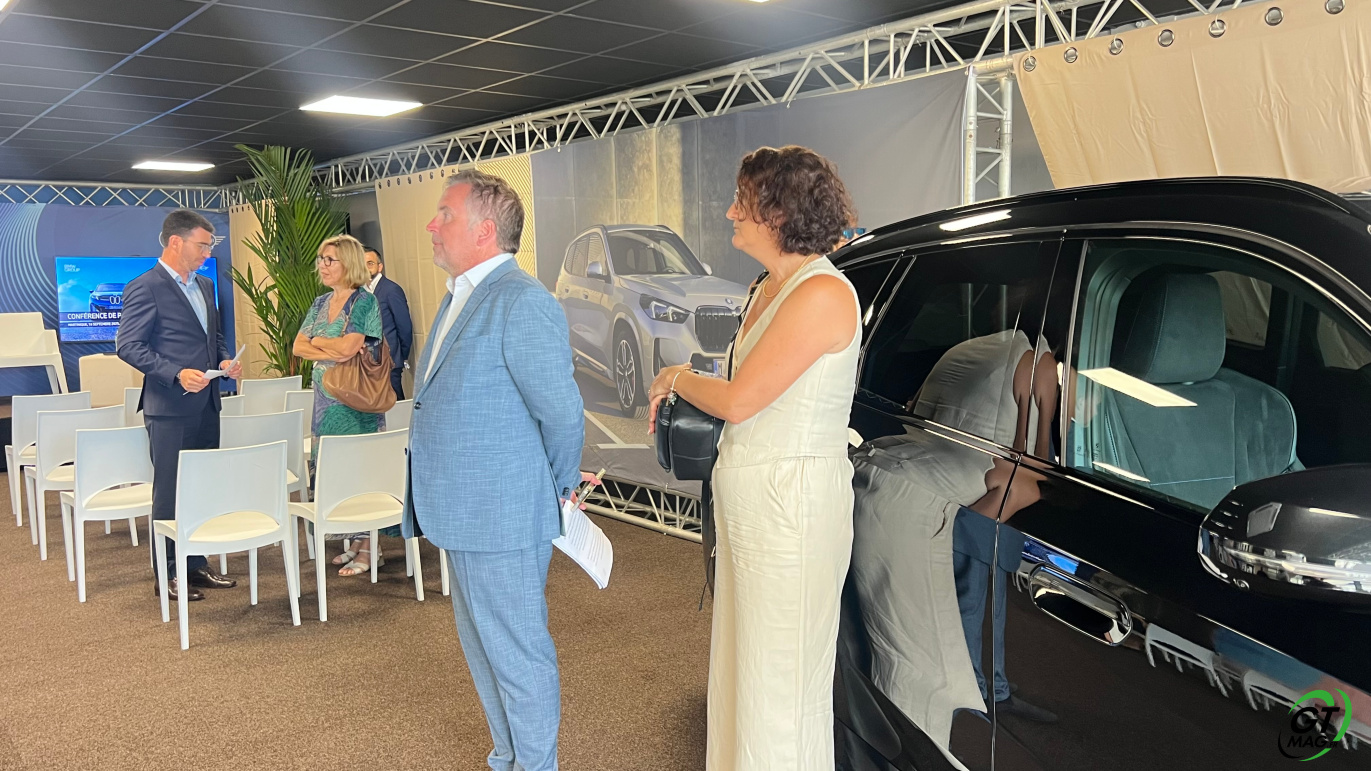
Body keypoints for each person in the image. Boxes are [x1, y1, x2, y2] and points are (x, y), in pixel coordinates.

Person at [647, 146, 861, 770]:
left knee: (780, 689)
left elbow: (740, 400)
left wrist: (678, 377)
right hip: (755, 508)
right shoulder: (769, 285)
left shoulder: (822, 293)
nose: (730, 212)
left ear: (779, 211)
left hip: (792, 513)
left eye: (742, 200)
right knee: (744, 676)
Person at [400, 169, 590, 771]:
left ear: (485, 230)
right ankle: (509, 758)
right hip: (462, 512)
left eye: (445, 215)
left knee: (518, 657)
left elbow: (563, 417)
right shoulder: (461, 295)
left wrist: (551, 493)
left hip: (503, 515)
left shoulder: (522, 301)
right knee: (486, 652)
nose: (431, 225)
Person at [117, 208, 241, 602]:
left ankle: (195, 564)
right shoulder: (145, 286)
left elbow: (213, 337)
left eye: (209, 246)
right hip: (169, 408)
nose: (207, 253)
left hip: (208, 404)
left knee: (201, 487)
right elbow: (128, 346)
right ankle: (167, 573)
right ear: (176, 241)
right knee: (169, 493)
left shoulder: (204, 285)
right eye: (202, 245)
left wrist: (224, 360)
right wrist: (175, 373)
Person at [294, 234, 389, 577]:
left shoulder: (364, 302)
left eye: (329, 260)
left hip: (355, 402)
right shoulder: (320, 302)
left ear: (347, 263)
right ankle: (358, 540)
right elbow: (298, 346)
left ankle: (372, 546)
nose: (321, 265)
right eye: (320, 259)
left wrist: (319, 342)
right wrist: (330, 345)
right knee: (333, 470)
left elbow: (350, 350)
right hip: (324, 405)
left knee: (359, 471)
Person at [363, 246, 413, 400]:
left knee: (394, 406)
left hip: (389, 361)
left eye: (370, 263)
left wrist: (400, 356)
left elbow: (404, 327)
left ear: (380, 267)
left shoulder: (391, 290)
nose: (365, 268)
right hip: (366, 363)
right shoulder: (359, 292)